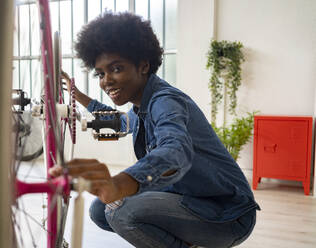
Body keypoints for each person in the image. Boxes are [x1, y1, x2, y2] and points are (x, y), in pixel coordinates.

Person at [49, 12, 260, 248]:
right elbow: (119, 123)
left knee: (121, 212)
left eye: (116, 68)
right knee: (101, 210)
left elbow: (175, 150)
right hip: (189, 196)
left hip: (228, 214)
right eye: (100, 73)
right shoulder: (141, 105)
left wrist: (120, 183)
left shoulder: (165, 101)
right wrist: (76, 94)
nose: (106, 80)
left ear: (143, 65)